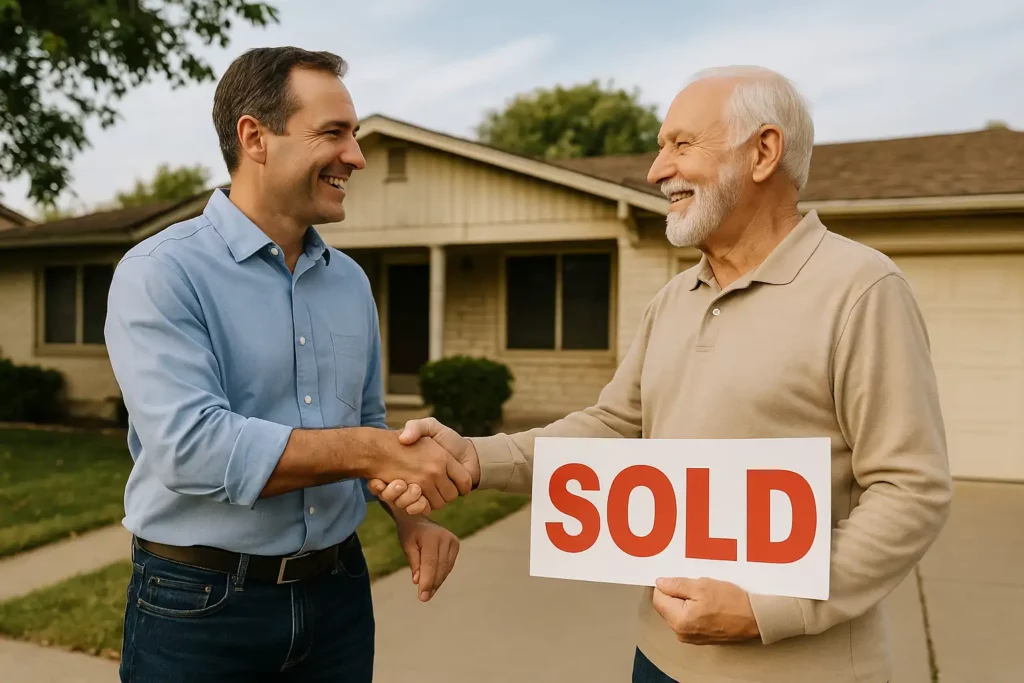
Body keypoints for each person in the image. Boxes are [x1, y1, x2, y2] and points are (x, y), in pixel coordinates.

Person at [373, 65, 953, 683]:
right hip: (659, 657)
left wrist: (769, 607)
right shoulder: (675, 298)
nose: (656, 171)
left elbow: (910, 490)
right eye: (658, 148)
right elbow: (617, 429)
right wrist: (474, 458)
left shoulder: (861, 290)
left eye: (681, 144)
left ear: (763, 152)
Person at [104, 46, 472, 683]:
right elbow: (190, 448)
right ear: (255, 138)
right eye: (333, 134)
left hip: (340, 596)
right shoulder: (160, 272)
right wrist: (372, 451)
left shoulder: (350, 282)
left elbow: (368, 418)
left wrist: (409, 515)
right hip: (200, 609)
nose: (356, 156)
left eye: (354, 136)